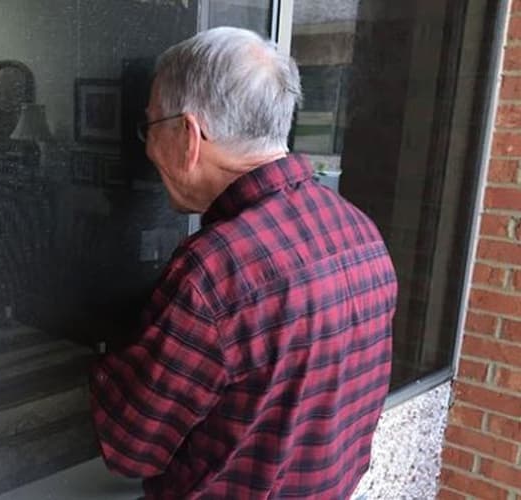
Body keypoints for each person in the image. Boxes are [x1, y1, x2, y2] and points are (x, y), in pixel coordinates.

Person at [89, 27, 397, 499]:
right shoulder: (360, 231)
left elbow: (131, 449)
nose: (147, 149)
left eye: (149, 128)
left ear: (188, 135)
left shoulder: (214, 274)